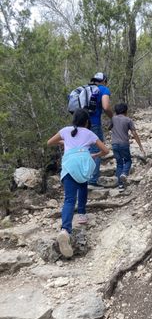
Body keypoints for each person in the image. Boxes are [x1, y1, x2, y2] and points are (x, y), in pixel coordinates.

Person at [47, 108, 109, 258]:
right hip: (82, 165)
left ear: (74, 119)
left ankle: (65, 230)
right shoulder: (90, 133)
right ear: (87, 122)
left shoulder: (66, 130)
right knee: (83, 186)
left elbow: (49, 142)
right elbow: (106, 150)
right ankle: (81, 215)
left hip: (69, 166)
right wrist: (95, 154)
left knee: (69, 199)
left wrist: (65, 141)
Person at [110, 103, 145, 192]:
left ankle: (120, 186)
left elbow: (109, 128)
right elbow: (134, 133)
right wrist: (140, 146)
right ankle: (124, 173)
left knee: (119, 164)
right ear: (125, 111)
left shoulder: (113, 119)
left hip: (114, 144)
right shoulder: (128, 120)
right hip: (124, 144)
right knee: (128, 161)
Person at [88, 72, 113, 188]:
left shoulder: (87, 89)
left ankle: (83, 177)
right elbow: (106, 106)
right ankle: (92, 179)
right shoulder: (103, 90)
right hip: (94, 124)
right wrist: (113, 118)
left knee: (85, 150)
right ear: (104, 81)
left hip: (81, 124)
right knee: (97, 150)